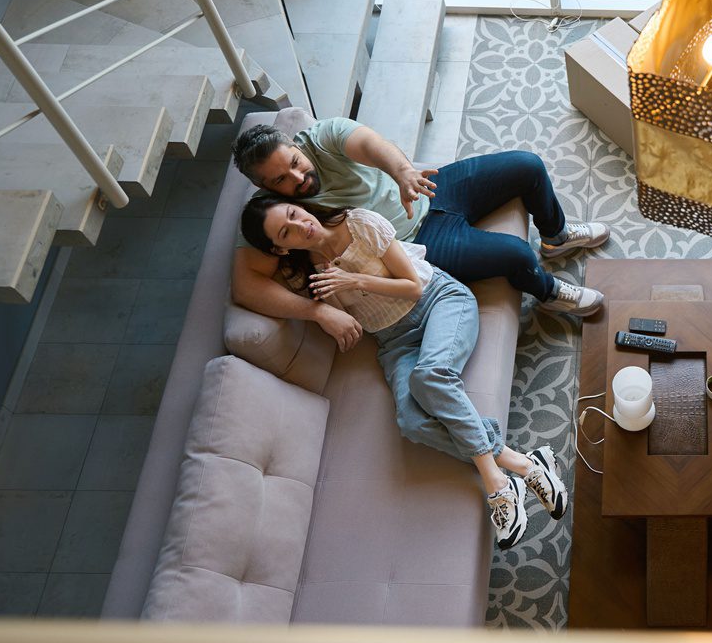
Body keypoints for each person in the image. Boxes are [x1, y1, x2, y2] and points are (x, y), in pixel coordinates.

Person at [241, 195, 562, 548]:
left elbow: (413, 285)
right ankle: (523, 463)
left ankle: (497, 484)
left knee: (430, 378)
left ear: (300, 206)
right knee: (411, 421)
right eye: (286, 233)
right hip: (394, 341)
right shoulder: (307, 272)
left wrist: (353, 281)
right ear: (281, 249)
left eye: (293, 214)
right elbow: (246, 288)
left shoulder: (360, 223)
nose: (301, 226)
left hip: (438, 300)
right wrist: (325, 311)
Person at [231, 117, 608, 353]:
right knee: (518, 255)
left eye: (295, 163)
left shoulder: (320, 136)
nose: (298, 179)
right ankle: (548, 292)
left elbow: (369, 143)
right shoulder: (271, 214)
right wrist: (317, 312)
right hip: (413, 243)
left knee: (528, 165)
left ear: (296, 147)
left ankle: (556, 235)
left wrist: (403, 172)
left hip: (428, 192)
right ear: (264, 188)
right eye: (281, 180)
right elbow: (246, 287)